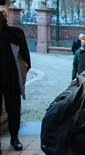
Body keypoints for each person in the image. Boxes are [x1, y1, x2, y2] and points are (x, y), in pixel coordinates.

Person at [0, 0, 31, 151]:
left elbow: (25, 58)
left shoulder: (15, 34)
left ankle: (14, 137)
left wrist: (22, 71)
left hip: (11, 79)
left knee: (13, 110)